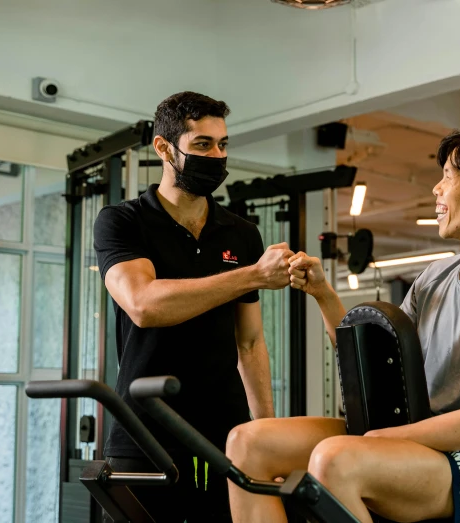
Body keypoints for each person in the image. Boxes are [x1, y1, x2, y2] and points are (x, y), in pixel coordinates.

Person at [226, 121, 460, 523]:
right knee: (247, 443)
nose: (437, 190)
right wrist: (323, 293)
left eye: (448, 177)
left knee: (336, 459)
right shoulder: (435, 277)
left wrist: (376, 438)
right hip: (410, 436)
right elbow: (375, 364)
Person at [93, 91, 293, 522]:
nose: (216, 156)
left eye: (222, 145)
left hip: (224, 435)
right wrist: (254, 275)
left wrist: (267, 435)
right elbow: (143, 305)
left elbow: (251, 341)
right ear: (164, 148)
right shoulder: (123, 221)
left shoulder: (240, 234)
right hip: (145, 433)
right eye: (202, 145)